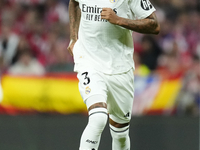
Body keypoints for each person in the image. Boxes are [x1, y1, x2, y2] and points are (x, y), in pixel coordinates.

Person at [67, 0, 160, 149]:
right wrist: (73, 37)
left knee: (120, 133)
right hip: (89, 61)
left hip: (120, 67)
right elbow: (74, 2)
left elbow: (154, 25)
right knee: (98, 117)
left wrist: (118, 20)